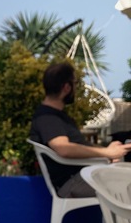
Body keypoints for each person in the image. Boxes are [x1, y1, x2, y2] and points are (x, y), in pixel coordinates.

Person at [30, 62, 131, 198]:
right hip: (74, 182)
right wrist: (107, 153)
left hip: (84, 176)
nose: (76, 88)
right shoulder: (48, 118)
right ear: (66, 87)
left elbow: (80, 146)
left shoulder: (57, 116)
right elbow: (63, 149)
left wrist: (109, 151)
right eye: (75, 83)